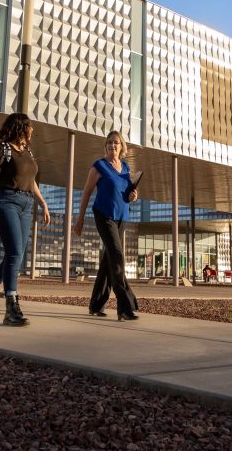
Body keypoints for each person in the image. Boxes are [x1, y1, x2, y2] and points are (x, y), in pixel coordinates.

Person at [0, 113, 50, 326]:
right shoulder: (2, 149)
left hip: (26, 204)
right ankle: (11, 308)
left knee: (16, 254)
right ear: (20, 127)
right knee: (15, 252)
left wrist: (42, 202)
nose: (32, 130)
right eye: (29, 126)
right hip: (5, 202)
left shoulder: (27, 151)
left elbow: (31, 181)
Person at [73, 130, 139, 321]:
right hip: (104, 216)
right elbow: (86, 193)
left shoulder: (125, 167)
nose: (112, 146)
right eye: (109, 143)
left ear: (122, 147)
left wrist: (134, 196)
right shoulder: (99, 166)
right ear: (106, 146)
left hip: (121, 217)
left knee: (108, 261)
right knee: (117, 256)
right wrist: (80, 219)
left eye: (116, 143)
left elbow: (128, 193)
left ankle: (96, 304)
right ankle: (125, 307)